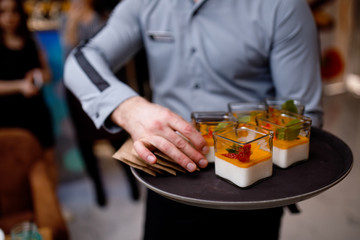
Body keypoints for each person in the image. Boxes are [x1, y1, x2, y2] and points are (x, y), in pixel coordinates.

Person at [64, 0, 323, 239]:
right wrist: (128, 108)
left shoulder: (283, 7)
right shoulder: (143, 3)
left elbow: (303, 115)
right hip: (169, 178)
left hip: (254, 186)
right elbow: (80, 60)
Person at [60, 0, 140, 206]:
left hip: (107, 86)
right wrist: (71, 25)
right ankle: (98, 188)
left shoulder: (105, 17)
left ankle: (132, 180)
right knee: (86, 143)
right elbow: (69, 59)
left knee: (117, 137)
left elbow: (117, 56)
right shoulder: (66, 20)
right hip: (78, 94)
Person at [0, 0, 57, 185]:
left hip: (37, 111)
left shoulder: (31, 42)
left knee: (47, 159)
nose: (9, 17)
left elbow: (48, 74)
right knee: (19, 167)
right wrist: (20, 86)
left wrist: (39, 75)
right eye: (3, 12)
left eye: (13, 12)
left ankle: (51, 209)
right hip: (10, 116)